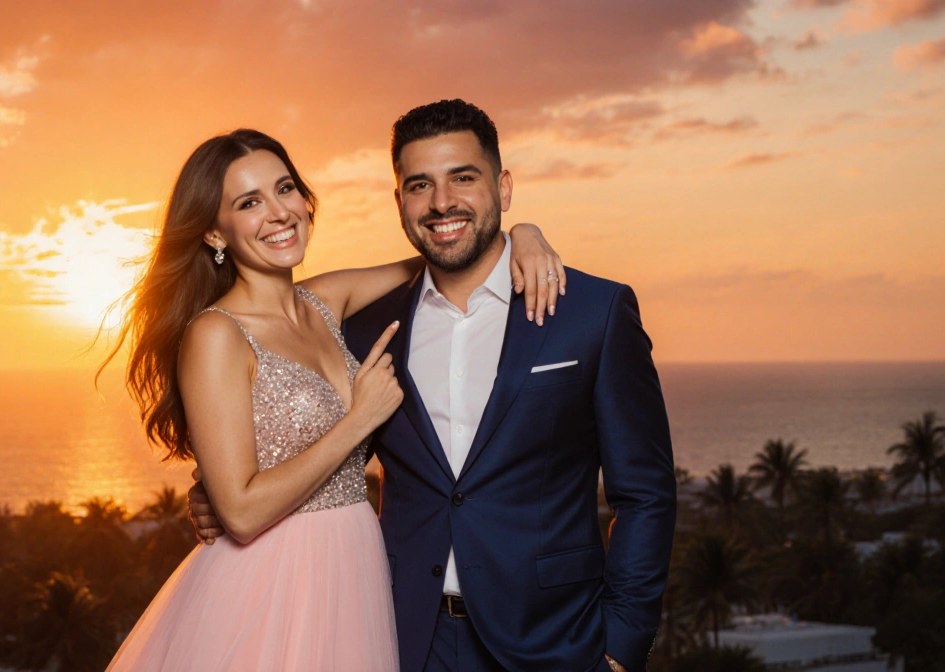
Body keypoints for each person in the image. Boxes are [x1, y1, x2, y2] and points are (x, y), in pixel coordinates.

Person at [190, 100, 677, 672]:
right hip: (400, 636)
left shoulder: (593, 313)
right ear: (399, 202)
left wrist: (621, 647)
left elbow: (645, 494)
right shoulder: (366, 326)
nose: (442, 201)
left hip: (554, 640)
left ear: (504, 185)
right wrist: (215, 490)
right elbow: (279, 422)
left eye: (463, 178)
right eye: (420, 185)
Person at [102, 127, 565, 671]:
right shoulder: (216, 334)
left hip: (354, 567)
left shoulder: (325, 301)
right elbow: (242, 512)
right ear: (213, 232)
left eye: (285, 189)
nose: (279, 212)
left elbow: (444, 250)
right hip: (270, 584)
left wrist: (525, 233)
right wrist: (358, 419)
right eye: (250, 202)